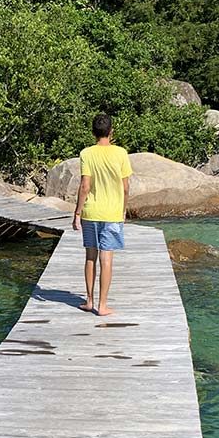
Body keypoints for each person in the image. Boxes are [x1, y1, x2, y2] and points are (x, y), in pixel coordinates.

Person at [72, 113, 132, 316]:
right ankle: (102, 305)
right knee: (106, 259)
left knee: (90, 257)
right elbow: (125, 188)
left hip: (91, 212)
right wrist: (123, 210)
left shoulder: (86, 154)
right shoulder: (121, 153)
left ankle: (89, 301)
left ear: (93, 132)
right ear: (111, 131)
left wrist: (77, 212)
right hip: (112, 213)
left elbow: (84, 186)